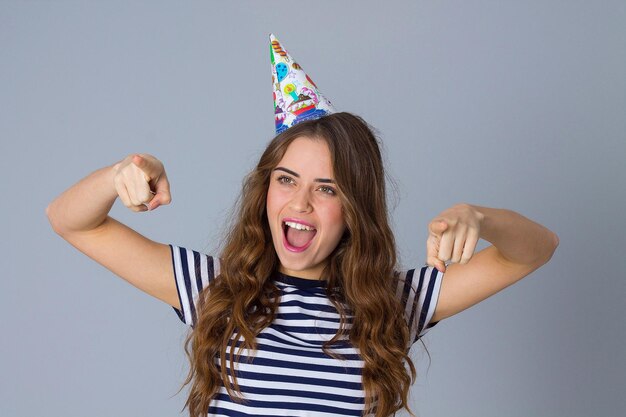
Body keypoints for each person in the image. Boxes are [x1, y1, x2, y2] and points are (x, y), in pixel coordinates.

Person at [46, 34, 559, 417]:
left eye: (328, 188)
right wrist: (121, 174)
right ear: (266, 190)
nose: (302, 202)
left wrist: (480, 216)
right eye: (287, 179)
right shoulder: (215, 289)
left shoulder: (390, 305)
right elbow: (71, 221)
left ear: (354, 209)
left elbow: (535, 249)